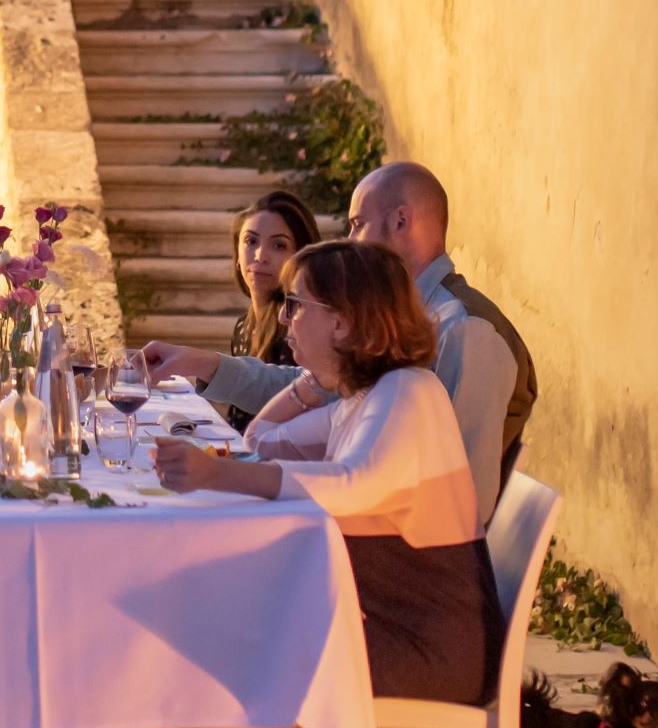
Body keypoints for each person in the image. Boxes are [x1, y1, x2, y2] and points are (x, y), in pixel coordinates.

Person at [151, 240, 501, 728]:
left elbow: (350, 485)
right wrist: (315, 379)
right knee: (241, 634)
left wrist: (212, 476)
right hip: (385, 626)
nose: (283, 319)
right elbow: (261, 441)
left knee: (257, 654)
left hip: (433, 648)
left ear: (343, 321)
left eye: (295, 305)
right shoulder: (368, 398)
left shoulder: (410, 395)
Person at [141, 162, 535, 528]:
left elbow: (467, 499)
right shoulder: (391, 322)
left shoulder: (465, 328)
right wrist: (205, 363)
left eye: (357, 224)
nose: (349, 240)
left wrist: (224, 473)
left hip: (409, 566)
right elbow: (303, 408)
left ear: (401, 221)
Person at [216, 190, 322, 432]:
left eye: (278, 245)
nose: (261, 256)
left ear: (300, 257)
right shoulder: (244, 326)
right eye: (251, 241)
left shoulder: (299, 326)